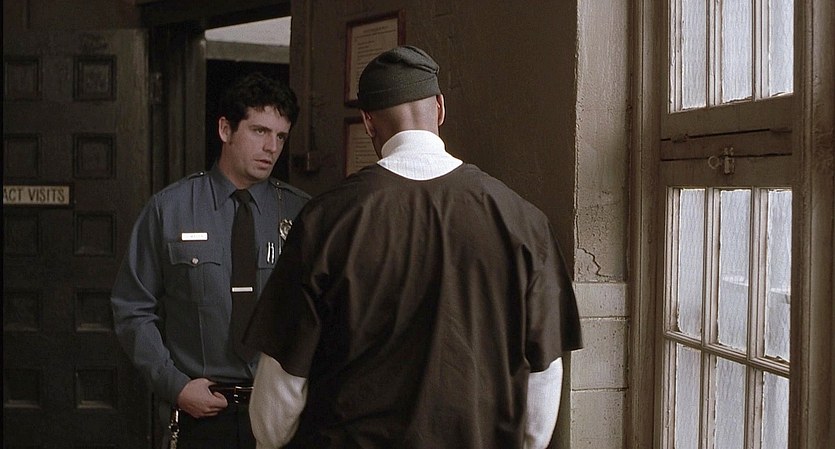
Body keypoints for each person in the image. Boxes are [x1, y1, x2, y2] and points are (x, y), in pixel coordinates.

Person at [244, 46, 583, 449]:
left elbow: (280, 391)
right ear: (439, 108)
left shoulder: (326, 220)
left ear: (368, 122)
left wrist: (270, 440)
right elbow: (544, 373)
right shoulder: (523, 221)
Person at [111, 72, 310, 449]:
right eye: (259, 131)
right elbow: (132, 307)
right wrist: (174, 385)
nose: (271, 147)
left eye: (281, 136)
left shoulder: (302, 214)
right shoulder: (170, 209)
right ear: (225, 129)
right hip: (201, 410)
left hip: (282, 414)